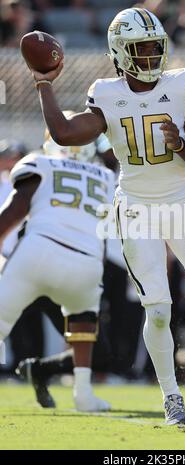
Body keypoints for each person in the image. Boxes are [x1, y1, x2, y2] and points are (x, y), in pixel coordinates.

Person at [27, 7, 185, 424]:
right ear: (120, 53)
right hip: (136, 209)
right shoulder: (106, 93)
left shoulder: (182, 84)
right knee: (157, 308)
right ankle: (171, 396)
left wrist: (180, 146)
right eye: (141, 49)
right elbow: (67, 134)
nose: (150, 56)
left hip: (179, 202)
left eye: (155, 47)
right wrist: (44, 85)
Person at [0, 123, 115, 412]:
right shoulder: (105, 176)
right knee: (83, 320)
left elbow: (15, 210)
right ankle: (84, 393)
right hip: (86, 261)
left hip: (39, 251)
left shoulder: (41, 163)